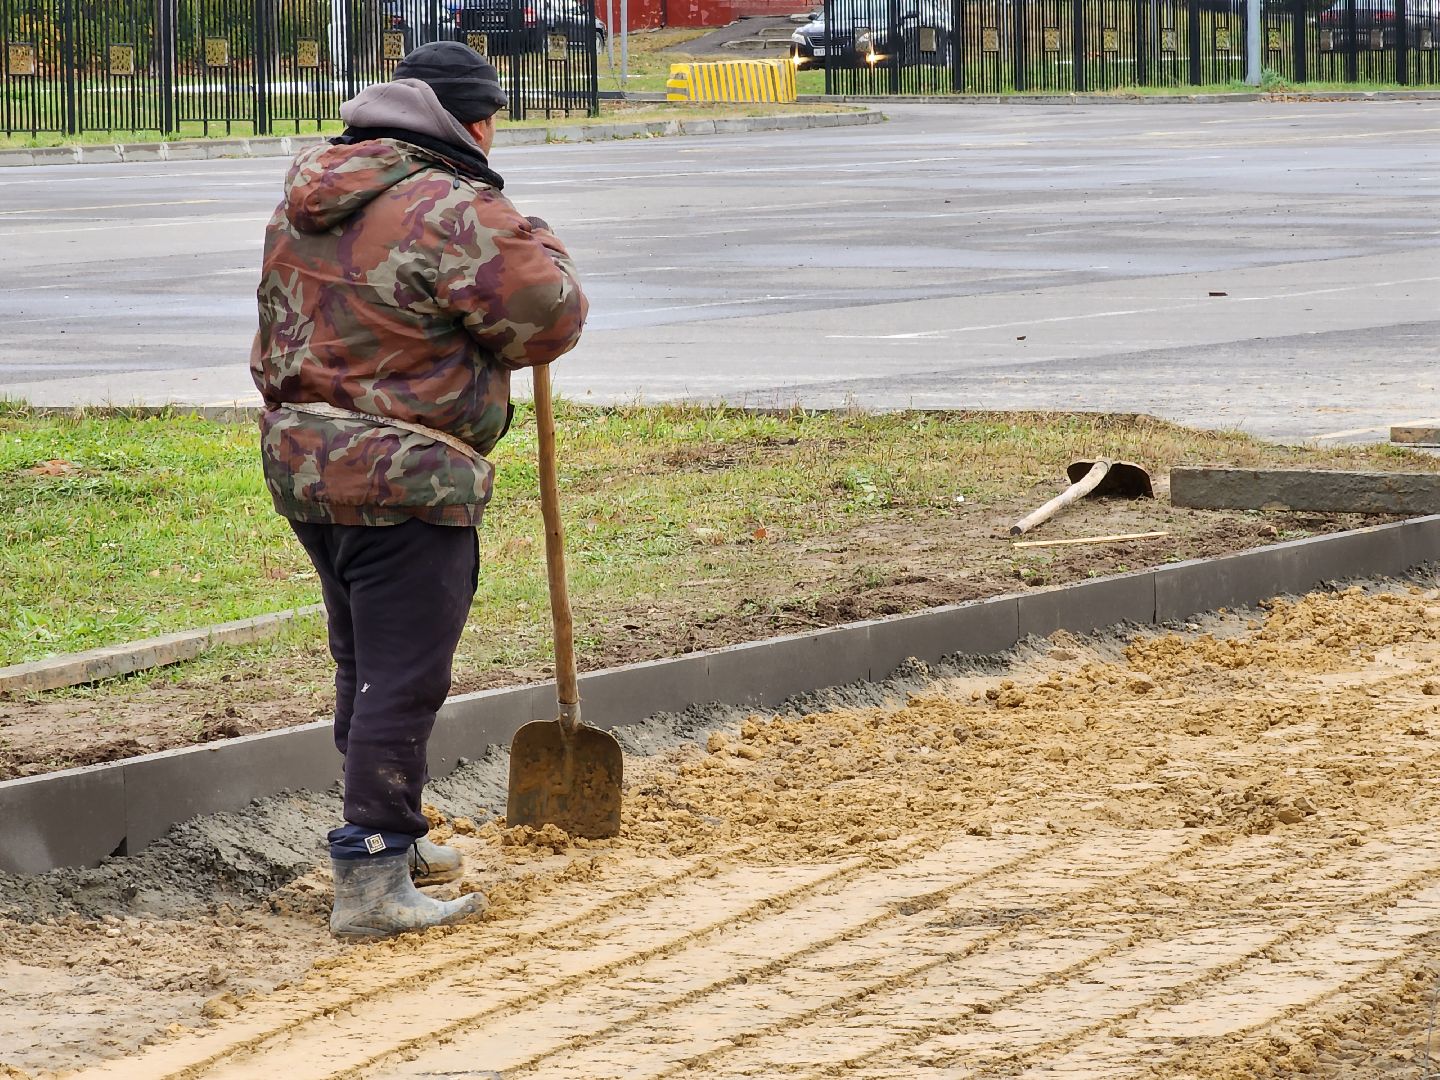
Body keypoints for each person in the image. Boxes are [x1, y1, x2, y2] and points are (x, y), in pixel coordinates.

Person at [250, 41, 588, 941]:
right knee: (402, 679)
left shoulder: (310, 190)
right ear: (468, 121)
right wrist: (538, 237)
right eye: (492, 118)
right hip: (407, 474)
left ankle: (393, 837)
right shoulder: (455, 208)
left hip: (306, 465)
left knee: (365, 665)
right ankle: (372, 872)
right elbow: (546, 319)